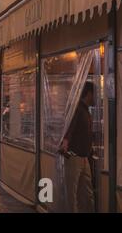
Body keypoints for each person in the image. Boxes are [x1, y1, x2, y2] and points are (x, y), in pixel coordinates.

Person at [59, 81, 95, 213]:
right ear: (89, 94)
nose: (97, 98)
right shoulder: (78, 109)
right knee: (73, 192)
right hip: (74, 156)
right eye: (95, 94)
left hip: (84, 157)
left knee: (86, 192)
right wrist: (65, 142)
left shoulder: (85, 110)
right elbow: (70, 128)